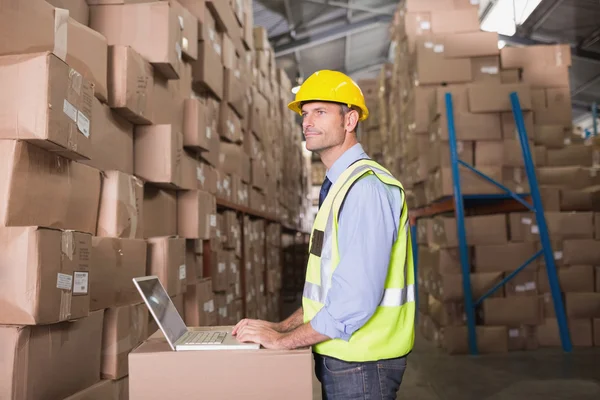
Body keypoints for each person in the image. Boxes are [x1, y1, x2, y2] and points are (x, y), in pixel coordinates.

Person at [233, 70, 416, 400]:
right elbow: (330, 291)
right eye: (304, 114)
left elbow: (354, 300)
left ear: (350, 120)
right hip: (346, 357)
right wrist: (281, 326)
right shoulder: (339, 187)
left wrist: (284, 341)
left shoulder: (364, 189)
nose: (307, 122)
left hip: (363, 361)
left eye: (320, 111)